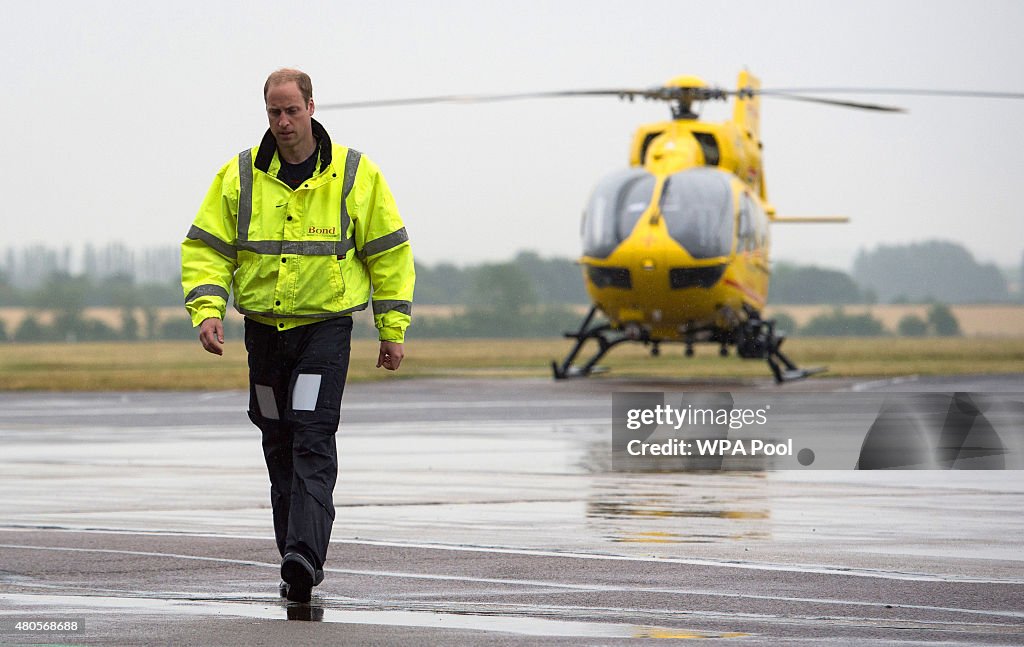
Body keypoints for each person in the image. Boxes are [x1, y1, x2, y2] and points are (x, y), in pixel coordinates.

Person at [181, 68, 414, 603]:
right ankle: (293, 555)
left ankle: (304, 556)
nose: (283, 122)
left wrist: (392, 328)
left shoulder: (355, 175)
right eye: (273, 112)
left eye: (291, 110)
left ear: (312, 107)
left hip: (323, 334)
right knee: (277, 438)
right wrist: (207, 309)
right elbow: (206, 247)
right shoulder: (239, 176)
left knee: (311, 434)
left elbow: (389, 252)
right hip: (262, 335)